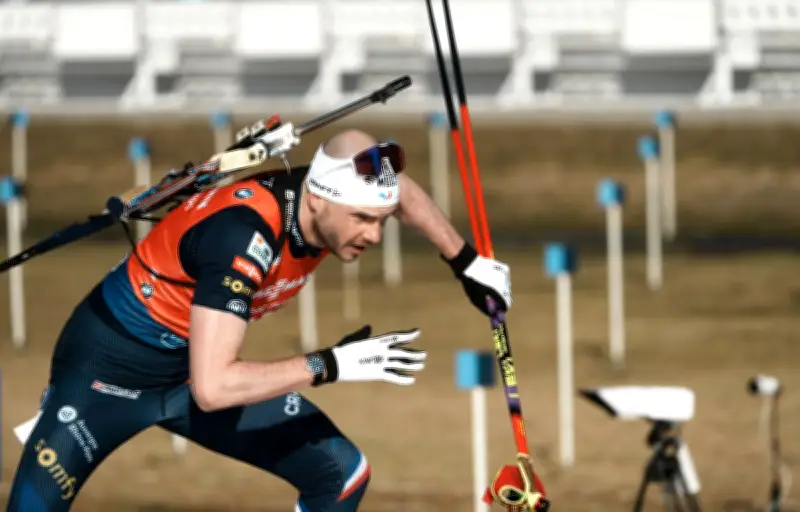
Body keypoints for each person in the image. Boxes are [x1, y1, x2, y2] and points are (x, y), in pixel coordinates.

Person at [6, 128, 513, 511]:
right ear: (318, 199)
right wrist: (330, 363)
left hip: (187, 371)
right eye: (362, 220)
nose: (374, 236)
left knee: (342, 475)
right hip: (108, 372)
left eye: (378, 220)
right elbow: (214, 388)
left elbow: (397, 188)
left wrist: (465, 263)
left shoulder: (330, 196)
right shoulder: (243, 238)